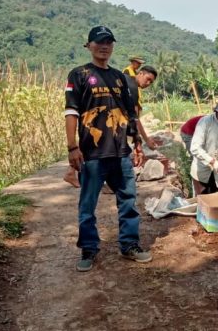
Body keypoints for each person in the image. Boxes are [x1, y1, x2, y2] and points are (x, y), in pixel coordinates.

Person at [65, 25, 151, 272]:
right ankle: (89, 249)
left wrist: (137, 144)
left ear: (113, 46)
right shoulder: (79, 75)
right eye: (99, 42)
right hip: (91, 154)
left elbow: (129, 113)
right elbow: (71, 112)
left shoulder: (119, 78)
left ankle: (129, 244)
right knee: (87, 204)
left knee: (128, 201)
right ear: (89, 45)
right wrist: (72, 147)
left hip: (120, 153)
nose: (104, 46)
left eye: (108, 42)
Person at [64, 65, 160, 189]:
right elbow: (134, 118)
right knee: (98, 141)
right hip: (107, 117)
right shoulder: (130, 86)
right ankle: (100, 180)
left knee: (92, 138)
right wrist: (143, 140)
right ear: (140, 73)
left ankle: (72, 172)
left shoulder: (123, 78)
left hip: (101, 114)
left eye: (151, 82)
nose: (148, 83)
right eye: (148, 79)